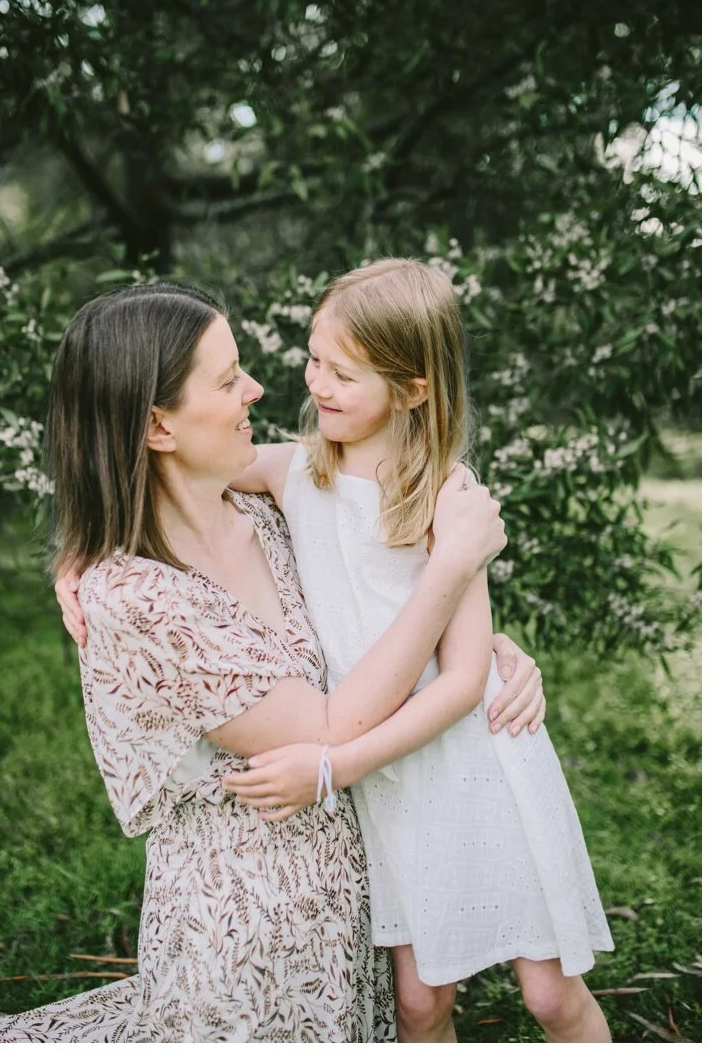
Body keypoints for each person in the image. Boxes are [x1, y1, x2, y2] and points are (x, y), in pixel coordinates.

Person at [0, 282, 544, 1042]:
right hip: (249, 930)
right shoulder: (136, 598)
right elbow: (324, 724)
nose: (260, 388)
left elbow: (369, 608)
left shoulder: (262, 510)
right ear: (157, 424)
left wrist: (486, 648)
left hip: (359, 892)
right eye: (227, 380)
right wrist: (455, 567)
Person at [214, 259, 612, 1041]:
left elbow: (464, 679)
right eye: (314, 359)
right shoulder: (294, 470)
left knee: (550, 995)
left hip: (473, 762)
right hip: (390, 787)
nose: (317, 383)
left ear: (414, 389)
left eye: (344, 373)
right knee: (422, 1001)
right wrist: (78, 558)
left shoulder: (444, 495)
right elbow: (169, 479)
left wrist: (335, 767)